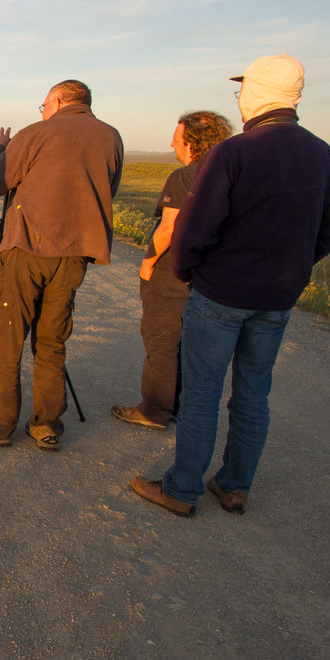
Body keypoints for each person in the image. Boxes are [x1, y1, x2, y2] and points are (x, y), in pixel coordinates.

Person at [131, 54, 330, 516]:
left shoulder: (235, 152)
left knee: (204, 393)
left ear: (255, 93)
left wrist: (191, 273)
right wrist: (295, 268)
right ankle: (234, 485)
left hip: (221, 294)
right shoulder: (321, 152)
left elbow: (192, 232)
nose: (240, 98)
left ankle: (181, 489)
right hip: (277, 298)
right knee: (252, 393)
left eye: (241, 89)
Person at [0, 80, 123, 451]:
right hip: (75, 256)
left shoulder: (36, 133)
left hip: (26, 250)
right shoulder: (111, 137)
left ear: (57, 102)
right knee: (52, 341)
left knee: (10, 340)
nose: (41, 111)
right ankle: (46, 426)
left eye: (42, 105)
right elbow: (109, 188)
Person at [112, 111, 233, 430]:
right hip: (209, 275)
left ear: (192, 141)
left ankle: (155, 410)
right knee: (188, 344)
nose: (171, 144)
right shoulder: (230, 172)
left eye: (176, 139)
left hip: (172, 273)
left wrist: (148, 262)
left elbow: (169, 228)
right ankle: (177, 405)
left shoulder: (184, 177)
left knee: (162, 340)